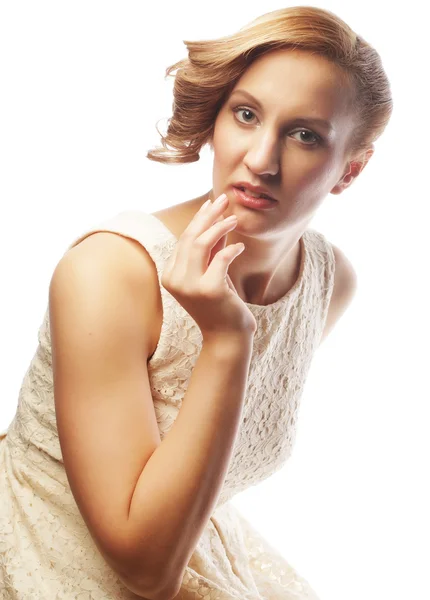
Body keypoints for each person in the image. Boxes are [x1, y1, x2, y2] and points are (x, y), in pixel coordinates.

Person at [0, 6, 393, 599]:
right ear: (215, 121)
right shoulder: (110, 273)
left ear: (350, 170)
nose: (261, 160)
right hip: (44, 557)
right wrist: (227, 340)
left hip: (192, 544)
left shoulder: (327, 281)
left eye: (305, 134)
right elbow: (144, 570)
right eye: (246, 115)